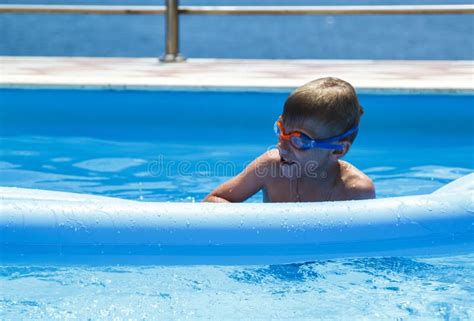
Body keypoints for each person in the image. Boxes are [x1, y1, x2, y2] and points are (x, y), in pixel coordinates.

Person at [204, 77, 375, 203]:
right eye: (281, 130)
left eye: (299, 140)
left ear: (338, 149)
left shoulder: (355, 191)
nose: (281, 146)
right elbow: (213, 200)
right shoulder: (271, 167)